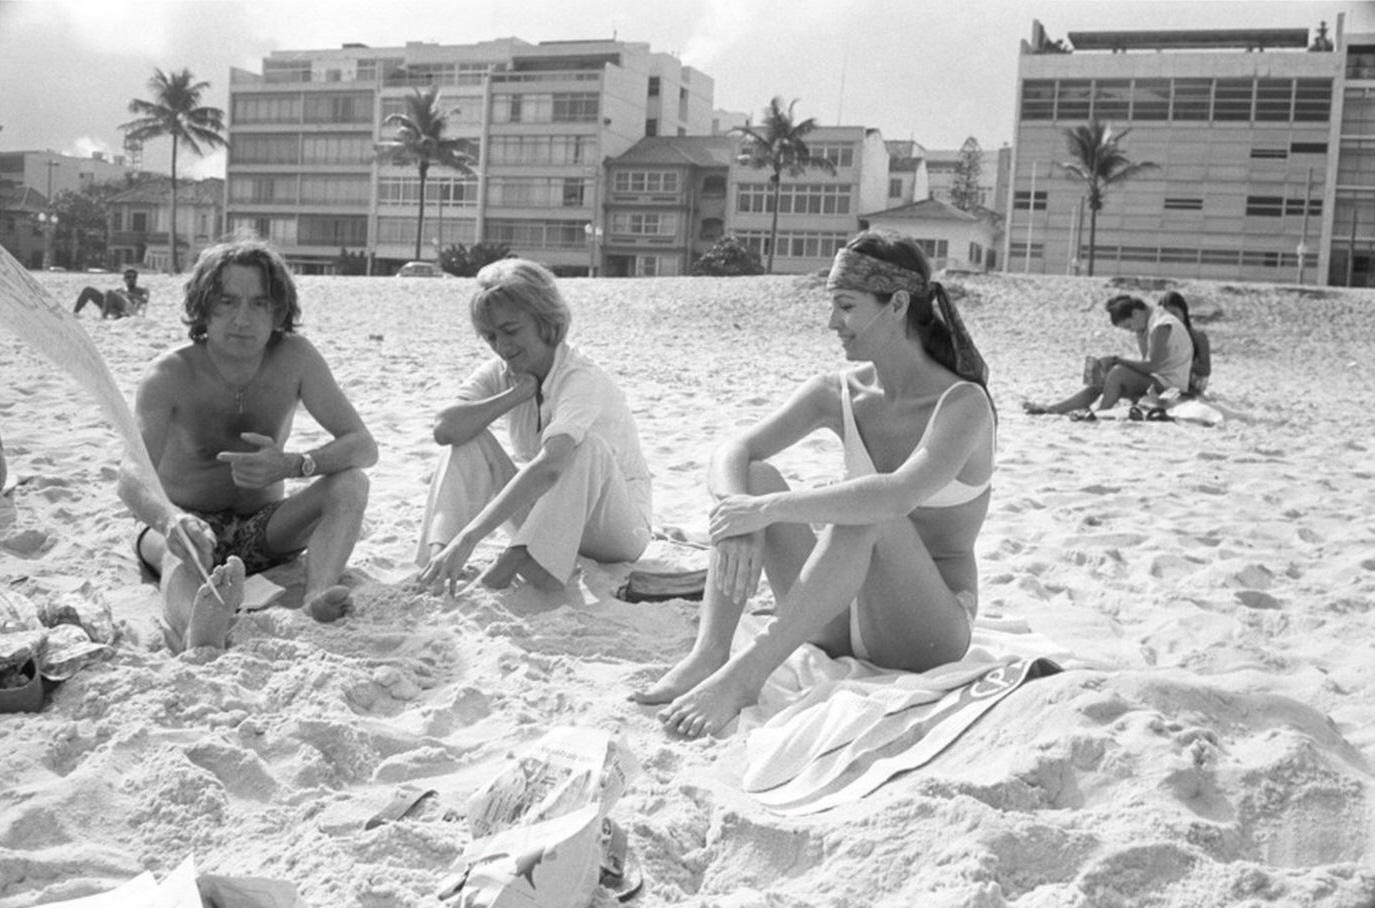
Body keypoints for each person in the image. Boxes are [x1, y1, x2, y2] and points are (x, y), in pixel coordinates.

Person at [633, 231, 997, 738]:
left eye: (846, 306)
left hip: (925, 633)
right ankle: (709, 653)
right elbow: (733, 452)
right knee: (752, 482)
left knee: (868, 510)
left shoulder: (963, 405)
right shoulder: (836, 392)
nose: (832, 323)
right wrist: (739, 511)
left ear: (896, 305)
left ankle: (744, 677)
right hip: (834, 618)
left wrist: (769, 511)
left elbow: (896, 495)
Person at [117, 238, 377, 652]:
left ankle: (316, 598)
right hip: (187, 523)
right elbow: (130, 475)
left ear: (279, 312)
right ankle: (198, 632)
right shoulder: (168, 374)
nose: (243, 318)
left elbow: (364, 446)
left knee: (352, 483)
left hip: (264, 528)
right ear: (203, 307)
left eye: (259, 303)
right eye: (227, 301)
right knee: (181, 555)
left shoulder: (296, 359)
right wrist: (169, 521)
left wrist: (293, 465)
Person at [416, 258, 652, 594]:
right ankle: (437, 562)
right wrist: (514, 396)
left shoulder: (580, 376)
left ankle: (511, 566)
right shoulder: (505, 371)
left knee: (584, 447)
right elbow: (445, 428)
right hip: (551, 518)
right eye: (491, 337)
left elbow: (552, 465)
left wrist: (471, 537)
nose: (502, 347)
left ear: (545, 320)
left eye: (511, 331)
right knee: (468, 439)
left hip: (617, 530)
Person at [1022, 294, 1192, 417]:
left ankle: (1103, 412)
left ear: (1135, 313)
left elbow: (1153, 366)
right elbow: (1147, 363)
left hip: (1171, 385)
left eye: (1128, 326)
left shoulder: (1160, 326)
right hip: (1159, 380)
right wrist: (1139, 337)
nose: (1131, 330)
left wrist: (1117, 360)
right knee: (1102, 375)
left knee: (1117, 372)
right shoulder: (1148, 325)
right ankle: (1054, 409)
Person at [1159, 290, 1211, 397]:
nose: (1170, 318)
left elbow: (1205, 370)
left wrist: (1179, 360)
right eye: (1165, 314)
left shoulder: (1198, 336)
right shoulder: (1158, 336)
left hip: (1190, 386)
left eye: (1174, 313)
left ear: (1184, 313)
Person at [74, 268, 149, 319]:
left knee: (110, 292)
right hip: (114, 309)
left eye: (134, 277)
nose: (131, 279)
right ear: (124, 279)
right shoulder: (120, 289)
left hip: (128, 309)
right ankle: (75, 313)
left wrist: (128, 294)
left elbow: (145, 300)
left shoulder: (142, 290)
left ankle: (104, 317)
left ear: (137, 278)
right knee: (88, 290)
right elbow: (108, 297)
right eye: (128, 277)